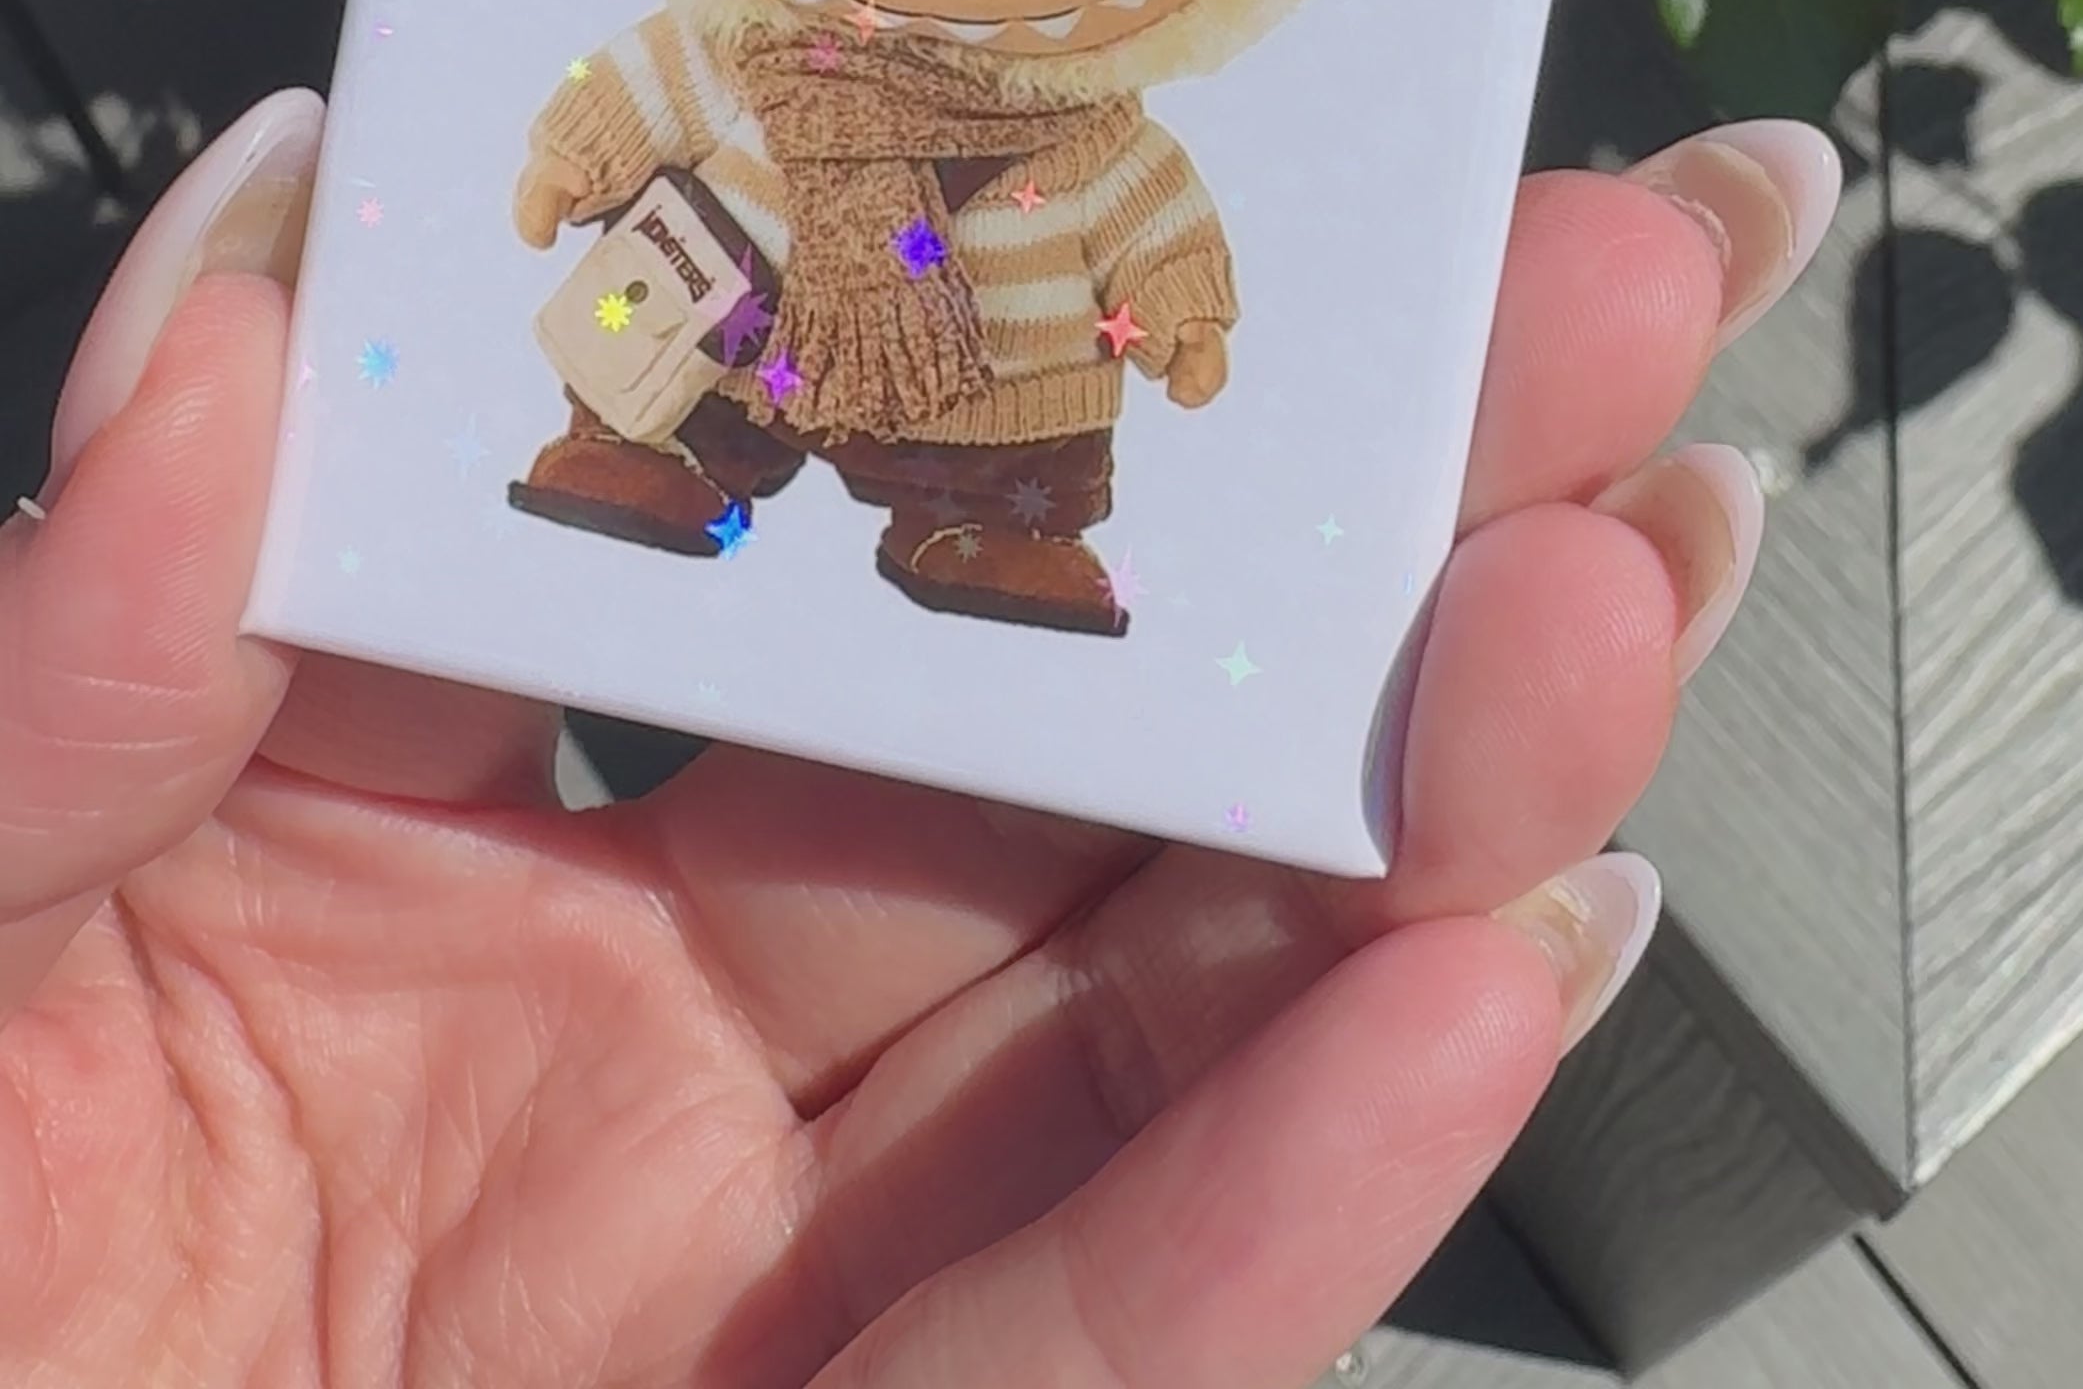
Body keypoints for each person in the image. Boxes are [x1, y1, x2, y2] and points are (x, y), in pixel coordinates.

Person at [0, 86, 1840, 1387]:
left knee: (1015, 457)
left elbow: (1161, 217)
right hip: (764, 335)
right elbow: (637, 90)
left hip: (999, 402)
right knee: (678, 347)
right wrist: (575, 156)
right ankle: (653, 455)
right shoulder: (751, 63)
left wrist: (1187, 315)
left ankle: (986, 529)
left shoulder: (1094, 137)